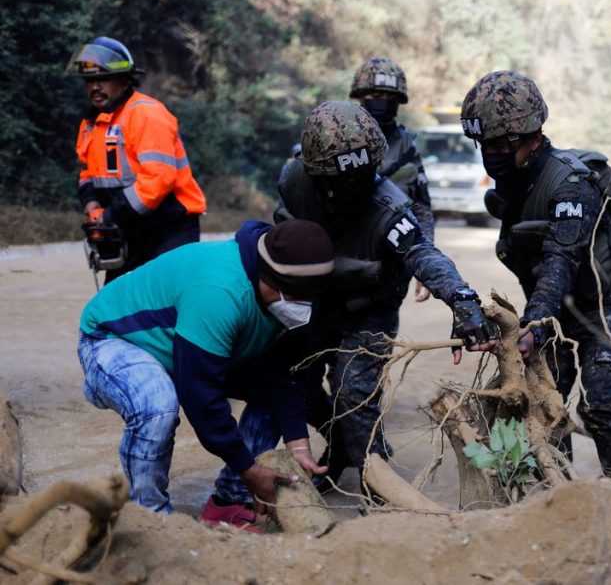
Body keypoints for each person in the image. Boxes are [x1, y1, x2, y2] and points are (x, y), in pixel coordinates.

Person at [210, 101, 499, 506]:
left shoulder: (390, 208)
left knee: (354, 393)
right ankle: (335, 448)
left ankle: (373, 479)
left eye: (367, 175)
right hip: (314, 300)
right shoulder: (293, 181)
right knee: (288, 379)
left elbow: (424, 255)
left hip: (370, 307)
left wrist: (462, 300)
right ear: (317, 174)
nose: (357, 187)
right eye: (344, 179)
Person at [78, 219, 335, 529]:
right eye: (295, 298)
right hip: (113, 339)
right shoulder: (219, 293)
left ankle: (227, 502)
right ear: (269, 279)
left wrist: (299, 447)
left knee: (270, 393)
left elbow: (287, 373)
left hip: (187, 348)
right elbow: (201, 396)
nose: (301, 307)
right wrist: (248, 468)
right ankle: (150, 518)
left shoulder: (295, 291)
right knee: (157, 405)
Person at [460, 71, 611, 479]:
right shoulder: (512, 185)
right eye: (485, 146)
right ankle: (557, 495)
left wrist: (535, 327)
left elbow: (560, 261)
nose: (491, 154)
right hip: (552, 312)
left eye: (501, 144)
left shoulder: (570, 184)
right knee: (544, 406)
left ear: (533, 136)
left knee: (601, 404)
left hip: (604, 308)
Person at [67, 36, 207, 283]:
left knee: (167, 298)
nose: (95, 87)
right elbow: (87, 174)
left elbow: (159, 179)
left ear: (124, 79)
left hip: (169, 227)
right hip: (129, 225)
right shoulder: (90, 124)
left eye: (103, 79)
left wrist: (111, 214)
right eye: (90, 81)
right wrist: (92, 207)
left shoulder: (145, 114)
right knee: (117, 301)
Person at [350, 57, 434, 302]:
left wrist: (425, 263)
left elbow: (423, 208)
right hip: (338, 264)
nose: (382, 102)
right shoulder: (338, 134)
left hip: (387, 270)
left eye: (390, 98)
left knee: (377, 338)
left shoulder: (407, 147)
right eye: (376, 94)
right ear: (361, 95)